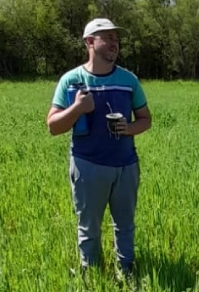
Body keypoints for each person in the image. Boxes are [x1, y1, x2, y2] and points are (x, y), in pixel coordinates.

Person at [45, 18, 152, 279]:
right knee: (89, 226)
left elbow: (146, 119)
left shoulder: (129, 80)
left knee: (125, 225)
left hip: (126, 166)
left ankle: (126, 272)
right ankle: (91, 273)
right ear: (90, 42)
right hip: (88, 166)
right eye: (108, 38)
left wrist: (128, 128)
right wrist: (78, 108)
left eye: (116, 38)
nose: (115, 43)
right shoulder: (71, 80)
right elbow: (53, 126)